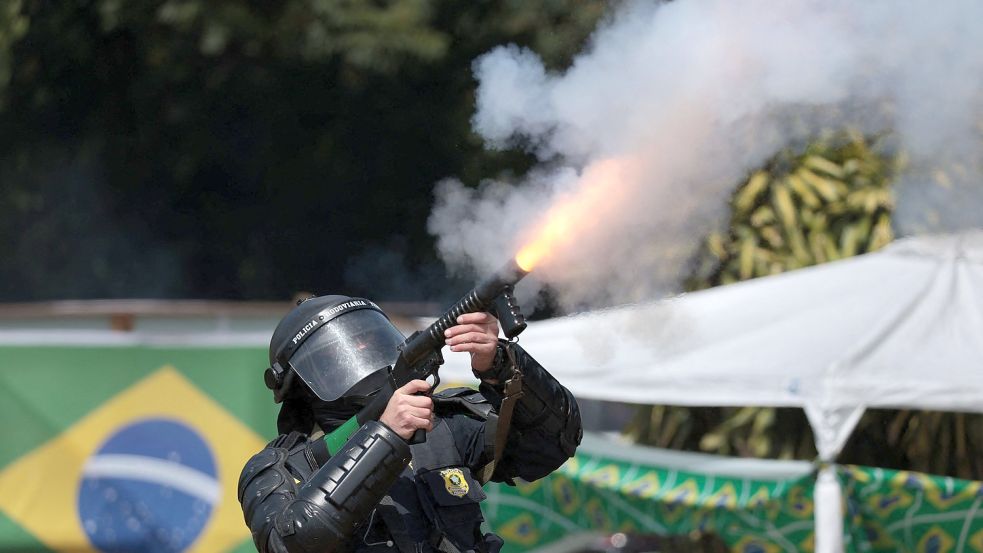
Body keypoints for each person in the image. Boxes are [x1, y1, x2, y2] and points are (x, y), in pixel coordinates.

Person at [238, 295, 582, 553]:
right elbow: (294, 541)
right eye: (339, 350)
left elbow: (555, 442)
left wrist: (500, 364)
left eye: (368, 339)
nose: (362, 350)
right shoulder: (277, 469)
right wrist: (383, 436)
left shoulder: (439, 421)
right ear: (299, 382)